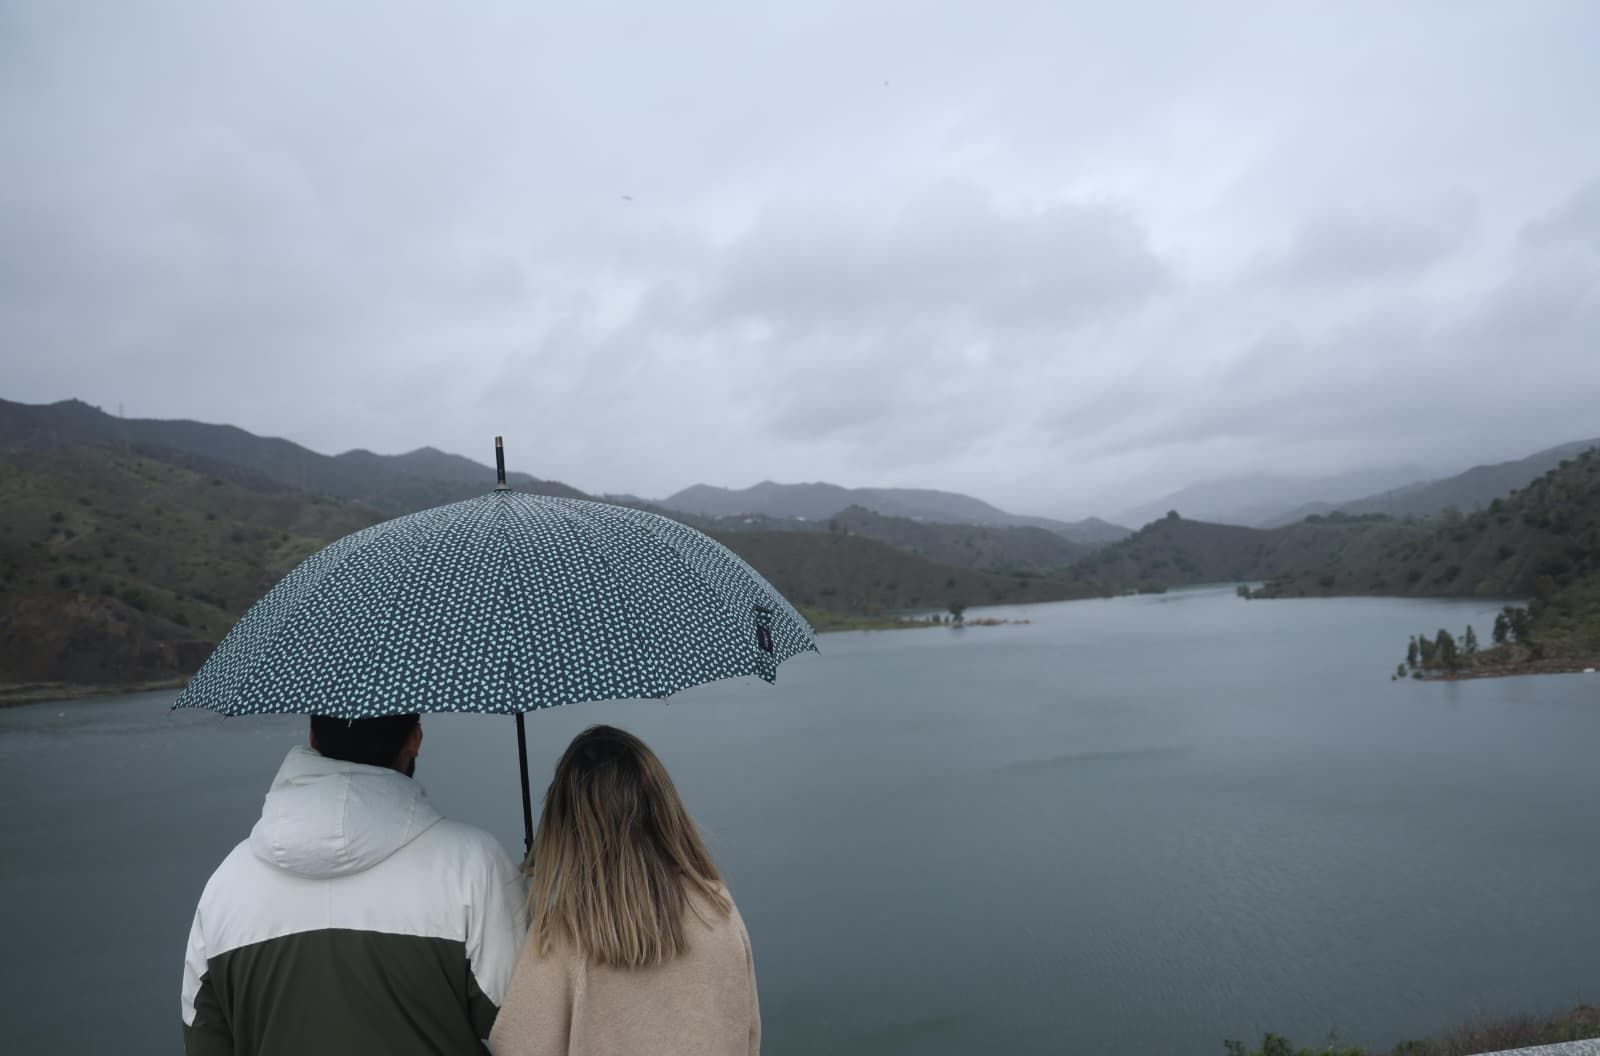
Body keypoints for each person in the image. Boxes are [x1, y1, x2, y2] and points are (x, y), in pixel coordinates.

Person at [181, 714, 527, 1055]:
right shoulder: (474, 865)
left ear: (313, 739)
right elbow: (524, 1027)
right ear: (415, 739)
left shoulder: (224, 887)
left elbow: (205, 1038)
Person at [490, 725, 760, 1056]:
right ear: (663, 805)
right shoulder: (719, 910)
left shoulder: (564, 934)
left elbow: (519, 1046)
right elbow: (748, 1034)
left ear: (566, 824)